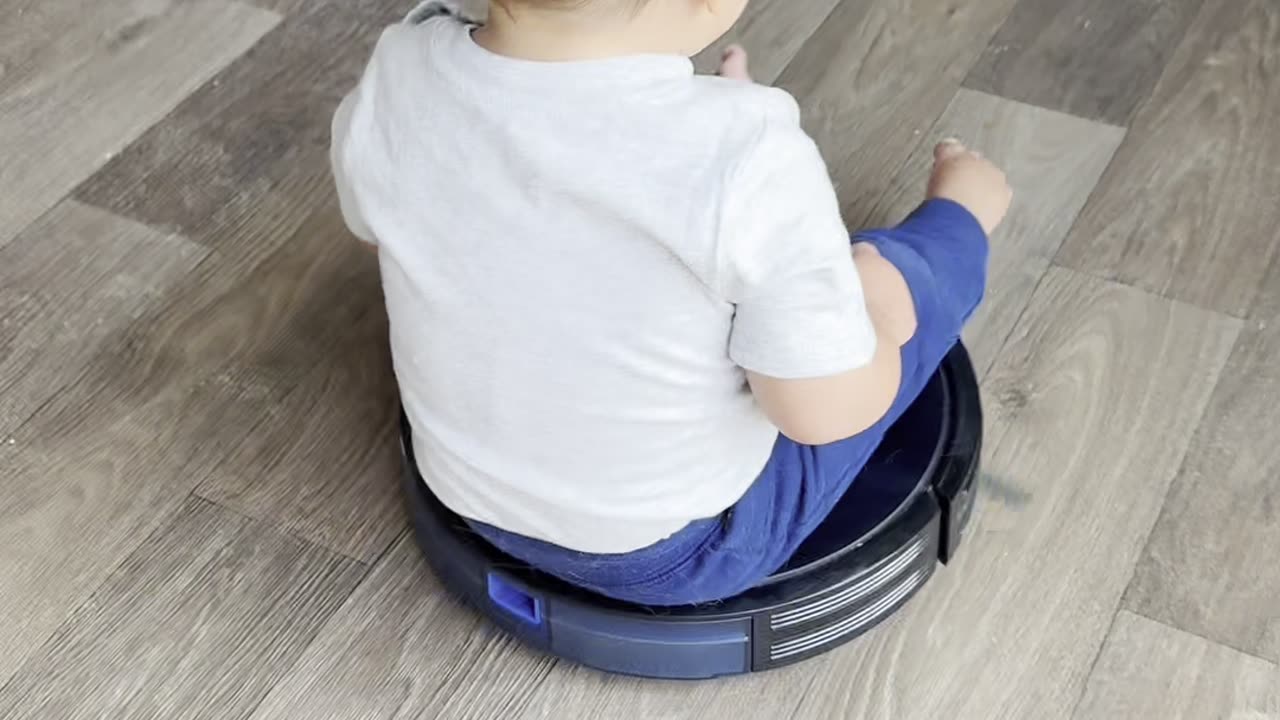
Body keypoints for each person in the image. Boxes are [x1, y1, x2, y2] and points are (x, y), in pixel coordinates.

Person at [331, 0, 1012, 605]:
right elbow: (820, 415)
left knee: (756, 256)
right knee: (884, 281)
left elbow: (380, 231)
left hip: (467, 492)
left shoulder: (402, 65)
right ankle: (962, 213)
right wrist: (878, 318)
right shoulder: (749, 158)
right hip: (677, 551)